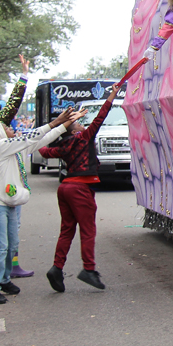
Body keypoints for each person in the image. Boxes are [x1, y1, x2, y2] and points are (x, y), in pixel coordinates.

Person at [39, 84, 122, 292]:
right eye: (77, 123)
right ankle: (89, 269)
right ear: (74, 129)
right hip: (80, 188)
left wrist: (55, 128)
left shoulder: (63, 144)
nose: (82, 125)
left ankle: (57, 268)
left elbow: (42, 150)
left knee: (66, 231)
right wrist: (112, 93)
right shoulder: (84, 137)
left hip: (65, 187)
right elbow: (101, 115)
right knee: (87, 230)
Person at [0, 107, 80, 303]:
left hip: (10, 202)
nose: (12, 129)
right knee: (0, 246)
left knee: (11, 245)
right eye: (7, 127)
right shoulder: (1, 146)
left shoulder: (14, 149)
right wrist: (55, 122)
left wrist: (63, 124)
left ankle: (5, 279)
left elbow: (40, 140)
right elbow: (30, 137)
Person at [0, 55, 35, 278]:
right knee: (1, 240)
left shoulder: (2, 128)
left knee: (11, 236)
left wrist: (24, 76)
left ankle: (7, 272)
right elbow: (12, 105)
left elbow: (12, 104)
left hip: (11, 188)